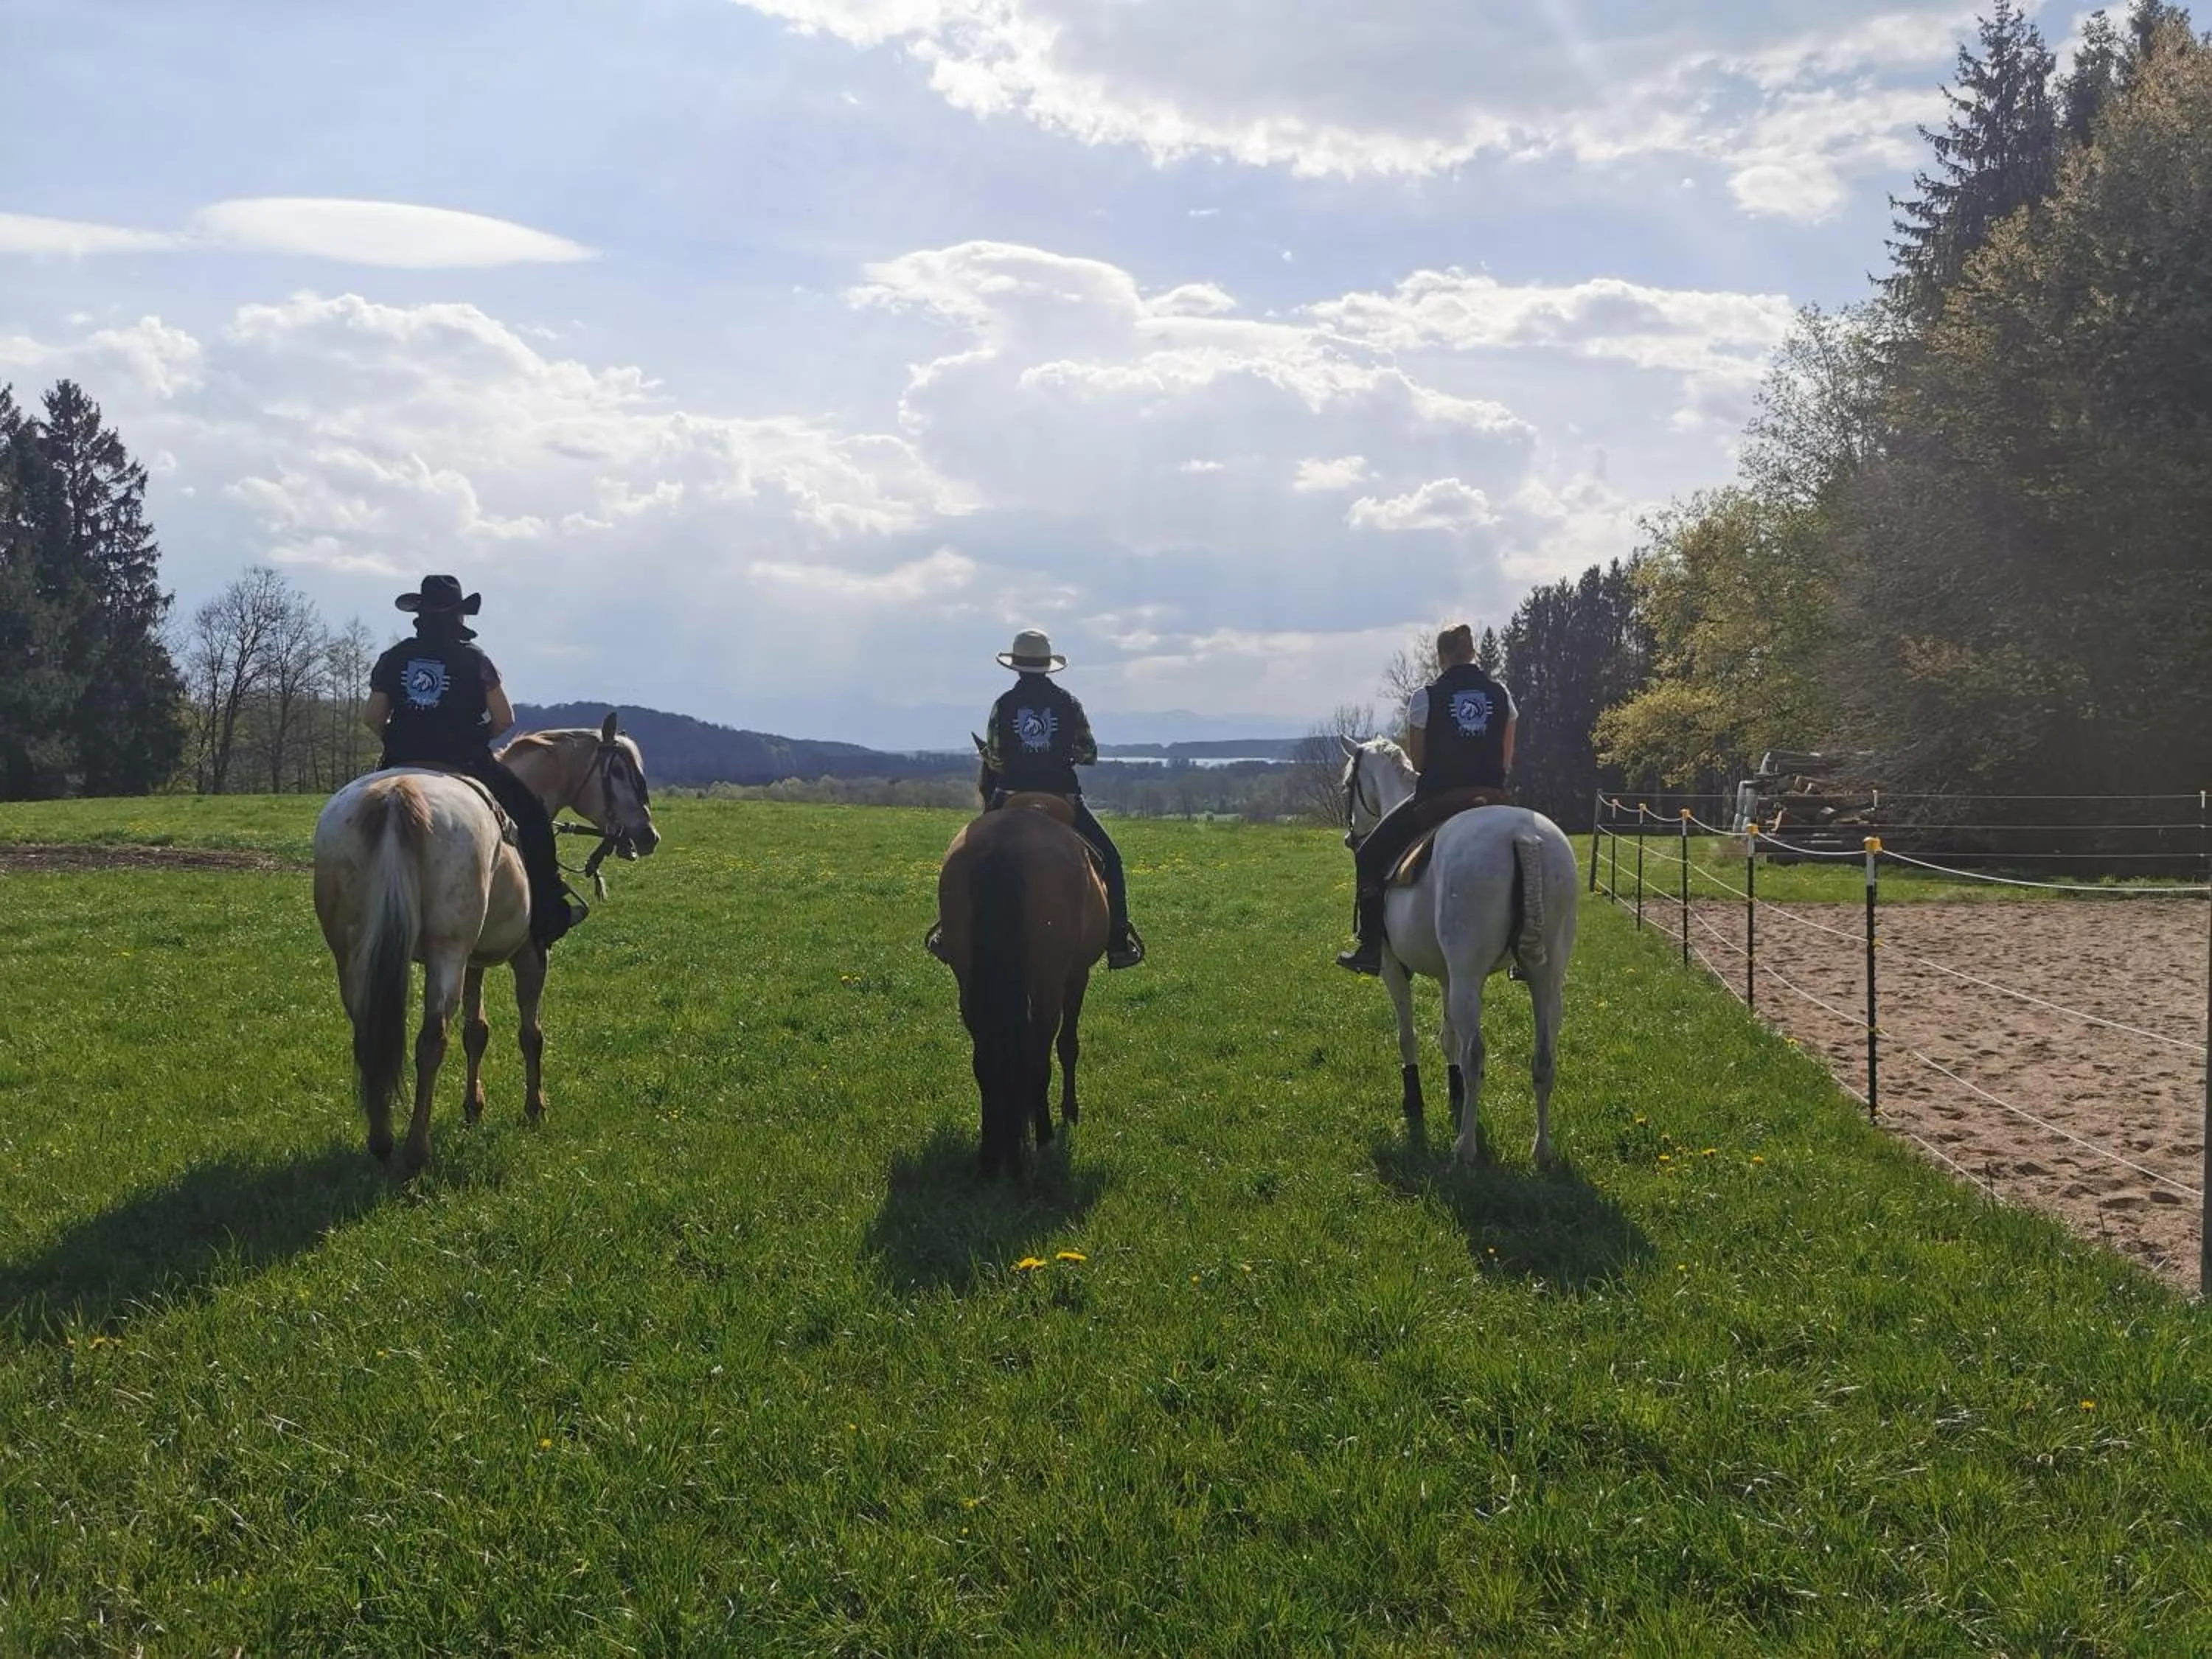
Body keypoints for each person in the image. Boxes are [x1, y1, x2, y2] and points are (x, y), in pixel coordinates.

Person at [360, 574, 587, 952]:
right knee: (532, 818)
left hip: (401, 759)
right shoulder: (477, 660)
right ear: (458, 616)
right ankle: (549, 912)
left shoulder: (394, 658)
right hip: (465, 761)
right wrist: (475, 738)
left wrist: (398, 739)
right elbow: (505, 718)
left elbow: (372, 718)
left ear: (420, 614)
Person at [1336, 623, 1517, 975]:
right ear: (1473, 652)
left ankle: (1371, 948)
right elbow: (1506, 760)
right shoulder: (1501, 695)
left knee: (1369, 854)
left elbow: (1419, 764)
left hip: (1440, 800)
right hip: (1495, 797)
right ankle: (1526, 945)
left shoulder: (1426, 697)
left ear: (1441, 656)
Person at [981, 629, 1145, 969]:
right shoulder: (1069, 704)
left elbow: (995, 758)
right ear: (1047, 665)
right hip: (1062, 796)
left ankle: (947, 929)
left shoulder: (1003, 704)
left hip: (1011, 794)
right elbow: (1088, 753)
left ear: (1016, 666)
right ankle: (1118, 942)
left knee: (972, 852)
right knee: (1111, 860)